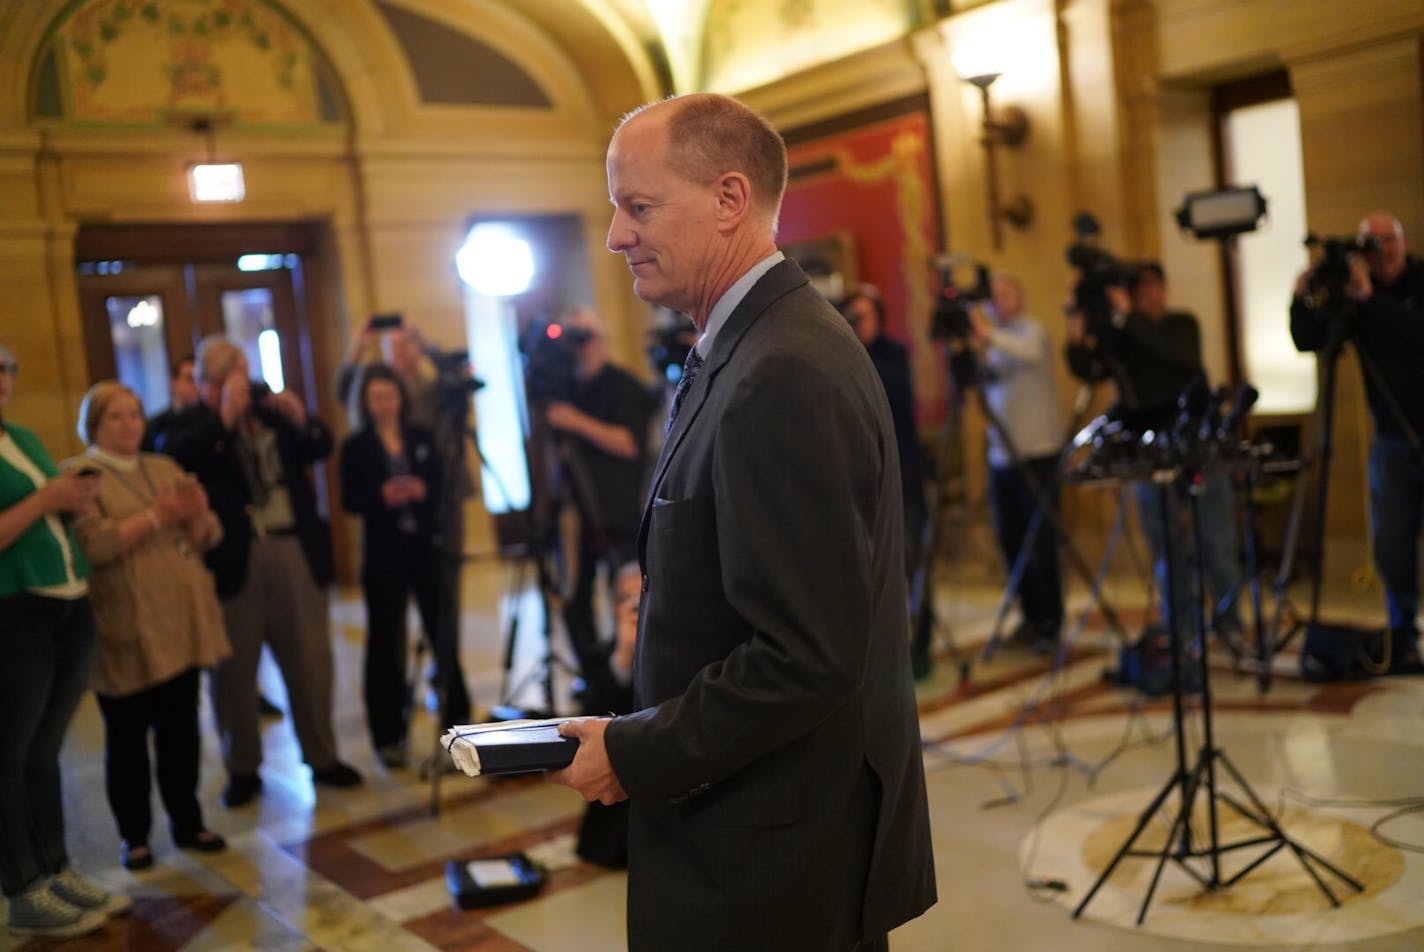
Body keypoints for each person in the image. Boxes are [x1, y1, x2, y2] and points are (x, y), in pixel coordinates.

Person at [551, 93, 936, 951]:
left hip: (773, 864)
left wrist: (632, 751)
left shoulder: (782, 368)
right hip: (760, 838)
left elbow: (807, 656)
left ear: (730, 199)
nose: (616, 234)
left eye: (638, 206)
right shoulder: (750, 344)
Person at [156, 336, 362, 807]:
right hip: (233, 559)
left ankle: (322, 756)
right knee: (233, 671)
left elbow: (320, 444)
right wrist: (225, 417)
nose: (241, 378)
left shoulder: (269, 412)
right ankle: (243, 768)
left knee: (310, 659)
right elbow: (177, 456)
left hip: (292, 547)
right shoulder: (190, 423)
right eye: (229, 370)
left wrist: (298, 415)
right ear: (207, 381)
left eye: (243, 367)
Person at [70, 381, 231, 871]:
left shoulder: (162, 466)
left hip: (180, 622)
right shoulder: (81, 475)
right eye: (116, 416)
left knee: (181, 729)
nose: (129, 424)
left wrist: (199, 512)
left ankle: (188, 819)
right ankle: (135, 835)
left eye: (135, 414)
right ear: (94, 425)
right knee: (127, 738)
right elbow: (95, 547)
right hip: (125, 626)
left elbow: (207, 537)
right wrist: (159, 515)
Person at [0, 345, 130, 938]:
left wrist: (72, 498)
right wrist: (48, 499)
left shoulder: (21, 438)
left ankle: (56, 867)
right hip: (16, 611)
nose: (4, 379)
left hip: (67, 602)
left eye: (8, 368)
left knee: (45, 749)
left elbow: (46, 510)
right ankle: (23, 886)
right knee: (11, 754)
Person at [1066, 261, 1243, 645]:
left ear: (1163, 289)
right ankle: (1180, 627)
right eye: (1136, 290)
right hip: (1150, 455)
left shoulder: (1181, 325)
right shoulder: (1128, 334)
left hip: (1198, 447)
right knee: (1167, 546)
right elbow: (1093, 370)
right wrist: (1076, 333)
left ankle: (1231, 627)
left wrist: (1128, 318)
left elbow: (1177, 358)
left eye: (1149, 288)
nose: (1144, 296)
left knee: (1215, 542)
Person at [1291, 211, 1424, 672]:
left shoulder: (1416, 281)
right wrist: (1301, 296)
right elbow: (1308, 340)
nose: (1382, 250)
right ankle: (1403, 633)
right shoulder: (1355, 301)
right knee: (1392, 545)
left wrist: (1371, 301)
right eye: (1372, 243)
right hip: (1391, 441)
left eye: (1389, 240)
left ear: (1403, 242)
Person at [335, 316, 474, 725]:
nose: (402, 354)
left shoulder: (429, 394)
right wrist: (358, 343)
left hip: (435, 520)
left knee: (443, 611)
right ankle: (391, 719)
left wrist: (423, 338)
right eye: (394, 348)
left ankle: (452, 702)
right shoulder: (369, 410)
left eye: (406, 346)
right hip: (385, 540)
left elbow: (458, 376)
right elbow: (344, 389)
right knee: (387, 631)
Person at [542, 307, 649, 712]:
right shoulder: (563, 386)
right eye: (574, 339)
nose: (579, 347)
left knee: (626, 600)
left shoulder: (622, 385)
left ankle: (627, 674)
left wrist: (575, 421)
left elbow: (628, 443)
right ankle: (594, 675)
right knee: (574, 600)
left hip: (618, 511)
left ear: (602, 341)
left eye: (585, 338)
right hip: (573, 517)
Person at [969, 273, 1065, 652]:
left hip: (1038, 454)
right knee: (1010, 540)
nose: (997, 300)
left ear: (1020, 297)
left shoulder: (1032, 332)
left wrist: (986, 333)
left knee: (1041, 542)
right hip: (1002, 457)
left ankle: (1051, 623)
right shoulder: (994, 345)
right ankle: (1029, 615)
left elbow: (1027, 354)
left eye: (1005, 292)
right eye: (992, 297)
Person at [839, 285, 928, 581]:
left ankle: (920, 623)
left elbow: (895, 394)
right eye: (852, 317)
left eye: (864, 316)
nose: (858, 323)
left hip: (902, 469)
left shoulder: (894, 353)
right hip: (859, 474)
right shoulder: (838, 358)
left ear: (879, 318)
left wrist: (855, 350)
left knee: (911, 553)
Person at [142, 354, 198, 452]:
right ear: (173, 383)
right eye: (191, 379)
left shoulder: (212, 419)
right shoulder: (154, 425)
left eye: (201, 379)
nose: (198, 385)